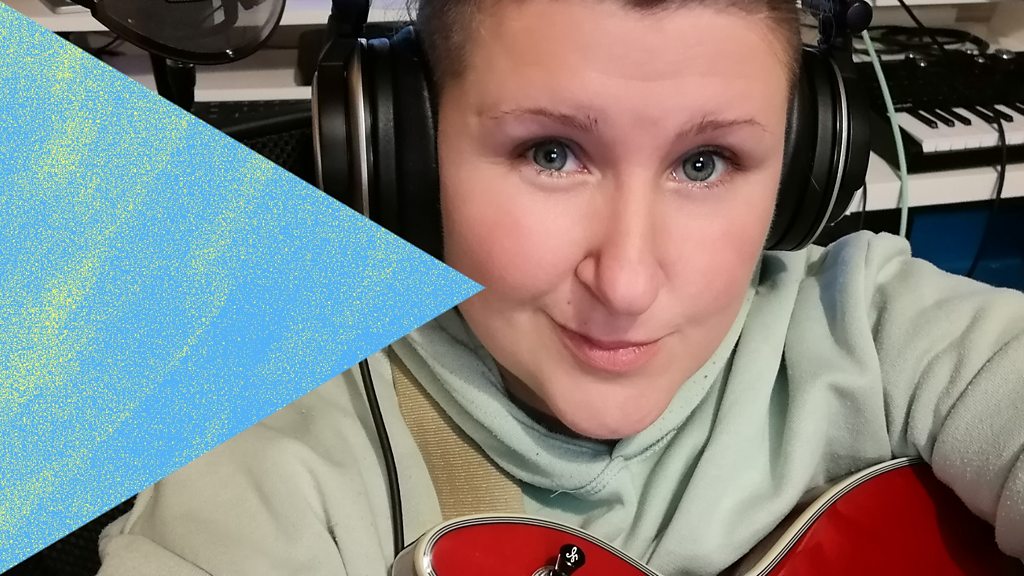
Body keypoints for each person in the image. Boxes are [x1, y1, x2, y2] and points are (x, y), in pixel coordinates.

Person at [97, 0, 1024, 574]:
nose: (626, 282)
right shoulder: (275, 460)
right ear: (402, 152)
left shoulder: (868, 329)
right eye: (551, 154)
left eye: (704, 163)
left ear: (804, 167)